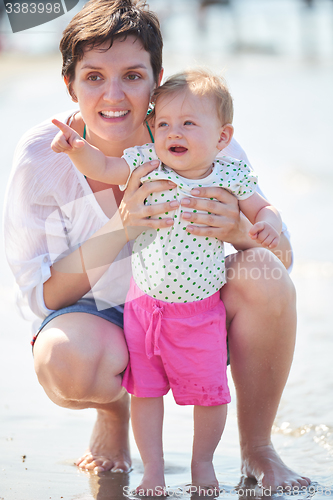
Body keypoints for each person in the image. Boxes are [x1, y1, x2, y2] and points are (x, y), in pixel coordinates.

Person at [3, 0, 310, 491]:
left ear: (157, 77)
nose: (114, 95)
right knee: (65, 360)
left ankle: (258, 449)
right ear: (69, 84)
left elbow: (284, 259)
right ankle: (112, 411)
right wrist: (122, 227)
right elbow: (39, 298)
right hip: (102, 318)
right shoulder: (45, 156)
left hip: (196, 306)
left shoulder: (198, 134)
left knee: (266, 277)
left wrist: (236, 230)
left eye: (132, 74)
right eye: (94, 77)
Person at [50, 68, 282, 492]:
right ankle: (152, 471)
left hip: (201, 312)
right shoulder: (147, 162)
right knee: (146, 394)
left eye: (189, 124)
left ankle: (203, 466)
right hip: (145, 310)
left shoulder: (227, 174)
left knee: (210, 395)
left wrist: (268, 224)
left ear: (222, 137)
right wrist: (75, 149)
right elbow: (103, 164)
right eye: (163, 124)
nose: (173, 132)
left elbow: (263, 207)